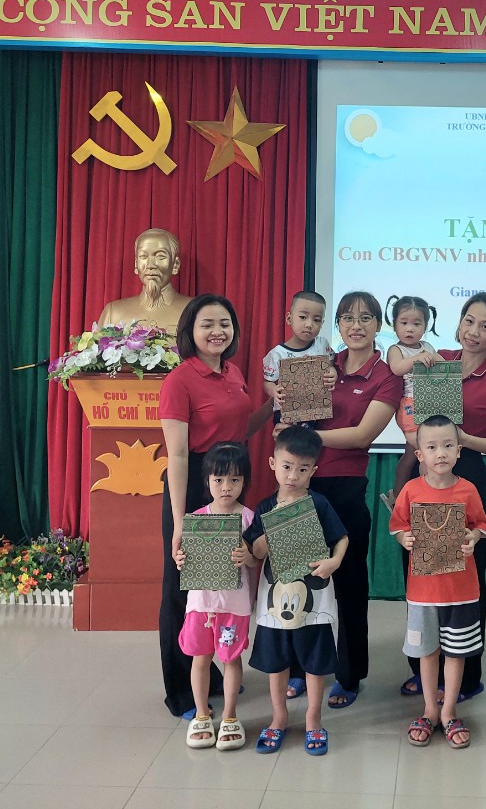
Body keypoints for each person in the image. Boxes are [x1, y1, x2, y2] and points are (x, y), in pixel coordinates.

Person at [398, 291, 486, 702]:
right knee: (420, 572)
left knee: (464, 575)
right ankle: (422, 669)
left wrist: (465, 439)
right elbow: (405, 402)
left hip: (467, 474)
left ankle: (467, 676)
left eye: (485, 326)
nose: (474, 331)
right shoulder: (437, 361)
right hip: (422, 473)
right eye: (469, 321)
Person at [158, 293, 271, 718]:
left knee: (223, 585)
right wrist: (180, 521)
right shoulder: (179, 380)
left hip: (229, 484)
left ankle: (213, 676)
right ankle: (181, 692)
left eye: (225, 323)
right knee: (186, 590)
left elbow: (239, 428)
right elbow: (178, 455)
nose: (217, 331)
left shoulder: (233, 372)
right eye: (207, 324)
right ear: (190, 330)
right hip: (194, 489)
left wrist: (275, 408)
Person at [306, 290, 402, 708]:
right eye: (347, 317)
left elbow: (363, 435)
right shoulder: (321, 365)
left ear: (378, 325)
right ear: (338, 325)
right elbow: (294, 413)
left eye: (365, 318)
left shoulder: (387, 375)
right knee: (301, 581)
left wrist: (308, 438)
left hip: (345, 488)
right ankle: (303, 668)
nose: (356, 325)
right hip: (302, 485)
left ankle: (348, 675)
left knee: (349, 587)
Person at [244, 427, 348, 756]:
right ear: (273, 463)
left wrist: (334, 561)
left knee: (316, 663)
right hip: (275, 601)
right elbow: (255, 553)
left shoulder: (318, 503)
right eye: (287, 466)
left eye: (302, 469)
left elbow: (341, 537)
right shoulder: (264, 506)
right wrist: (274, 526)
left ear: (313, 471)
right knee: (276, 663)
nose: (293, 476)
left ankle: (314, 719)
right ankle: (279, 717)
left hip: (314, 601)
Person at [389, 415, 486, 750]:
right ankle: (429, 710)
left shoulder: (468, 489)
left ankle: (449, 712)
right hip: (423, 593)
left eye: (448, 445)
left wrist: (473, 537)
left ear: (459, 450)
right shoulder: (411, 490)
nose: (441, 453)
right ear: (419, 455)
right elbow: (397, 524)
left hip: (461, 591)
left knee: (456, 653)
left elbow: (482, 524)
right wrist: (403, 538)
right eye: (432, 447)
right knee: (427, 652)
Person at [172, 442, 258, 750]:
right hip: (201, 604)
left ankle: (231, 716)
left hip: (234, 605)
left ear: (244, 482)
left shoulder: (249, 519)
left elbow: (259, 559)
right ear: (207, 480)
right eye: (219, 480)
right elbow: (183, 558)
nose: (226, 487)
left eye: (234, 480)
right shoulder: (196, 519)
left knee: (231, 659)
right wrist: (180, 559)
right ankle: (202, 714)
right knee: (201, 658)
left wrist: (248, 557)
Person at [384, 294, 443, 502]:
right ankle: (425, 498)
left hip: (430, 405)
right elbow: (396, 368)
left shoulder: (428, 347)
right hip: (409, 407)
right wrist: (418, 358)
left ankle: (397, 496)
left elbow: (443, 367)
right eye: (404, 323)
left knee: (411, 455)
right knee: (426, 453)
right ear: (394, 324)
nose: (410, 329)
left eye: (416, 324)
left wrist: (435, 358)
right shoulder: (396, 349)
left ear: (425, 326)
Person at [97, 228, 193, 334]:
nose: (150, 265)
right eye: (143, 256)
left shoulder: (194, 311)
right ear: (136, 264)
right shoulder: (113, 312)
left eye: (160, 256)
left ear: (175, 264)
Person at [262, 289, 337, 423]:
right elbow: (267, 382)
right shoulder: (277, 354)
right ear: (289, 319)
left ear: (322, 323)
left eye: (317, 320)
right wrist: (274, 391)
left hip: (317, 412)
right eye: (303, 317)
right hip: (287, 414)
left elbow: (330, 365)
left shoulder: (322, 344)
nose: (309, 324)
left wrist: (332, 373)